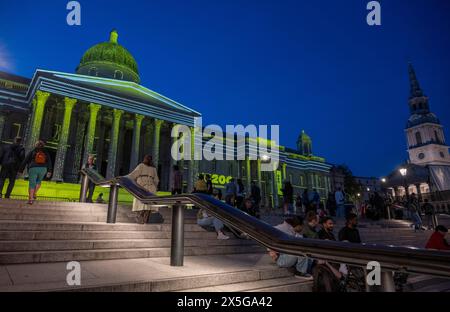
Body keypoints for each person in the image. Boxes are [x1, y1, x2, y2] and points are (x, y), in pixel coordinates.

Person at [127, 155, 159, 224]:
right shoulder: (143, 166)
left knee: (148, 206)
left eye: (149, 158)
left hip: (148, 186)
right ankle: (141, 219)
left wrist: (155, 186)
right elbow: (134, 174)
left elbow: (156, 179)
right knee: (144, 205)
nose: (148, 159)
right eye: (147, 158)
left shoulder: (152, 168)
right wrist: (126, 178)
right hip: (143, 186)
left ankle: (144, 220)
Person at [19, 140, 52, 205]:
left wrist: (21, 170)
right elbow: (49, 161)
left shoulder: (32, 151)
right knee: (39, 181)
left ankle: (31, 199)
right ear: (43, 145)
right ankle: (34, 193)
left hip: (33, 168)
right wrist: (49, 171)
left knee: (32, 183)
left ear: (36, 145)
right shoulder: (46, 152)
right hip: (43, 169)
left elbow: (25, 160)